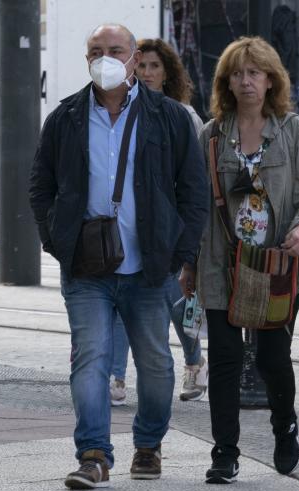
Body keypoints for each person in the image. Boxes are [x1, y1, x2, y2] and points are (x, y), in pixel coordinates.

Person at [28, 24, 209, 489]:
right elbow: (40, 188)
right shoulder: (66, 116)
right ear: (86, 58)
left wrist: (180, 254)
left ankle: (148, 444)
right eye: (96, 51)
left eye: (115, 50)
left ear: (133, 58)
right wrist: (57, 242)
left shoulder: (167, 117)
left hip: (149, 268)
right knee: (89, 359)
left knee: (155, 363)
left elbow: (193, 193)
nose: (104, 58)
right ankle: (93, 455)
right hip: (86, 268)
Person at [197, 36, 299, 484]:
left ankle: (284, 426)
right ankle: (224, 453)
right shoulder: (211, 134)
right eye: (237, 73)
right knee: (227, 358)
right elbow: (195, 203)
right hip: (221, 262)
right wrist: (187, 265)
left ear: (271, 80)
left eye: (254, 72)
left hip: (277, 265)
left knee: (272, 357)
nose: (245, 80)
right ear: (226, 82)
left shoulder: (291, 129)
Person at [109, 37, 207, 406]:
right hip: (133, 231)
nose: (148, 73)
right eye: (143, 65)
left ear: (168, 74)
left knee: (175, 303)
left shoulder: (183, 115)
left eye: (155, 67)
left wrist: (190, 240)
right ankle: (116, 376)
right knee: (121, 301)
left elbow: (195, 182)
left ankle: (195, 361)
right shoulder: (125, 110)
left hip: (172, 231)